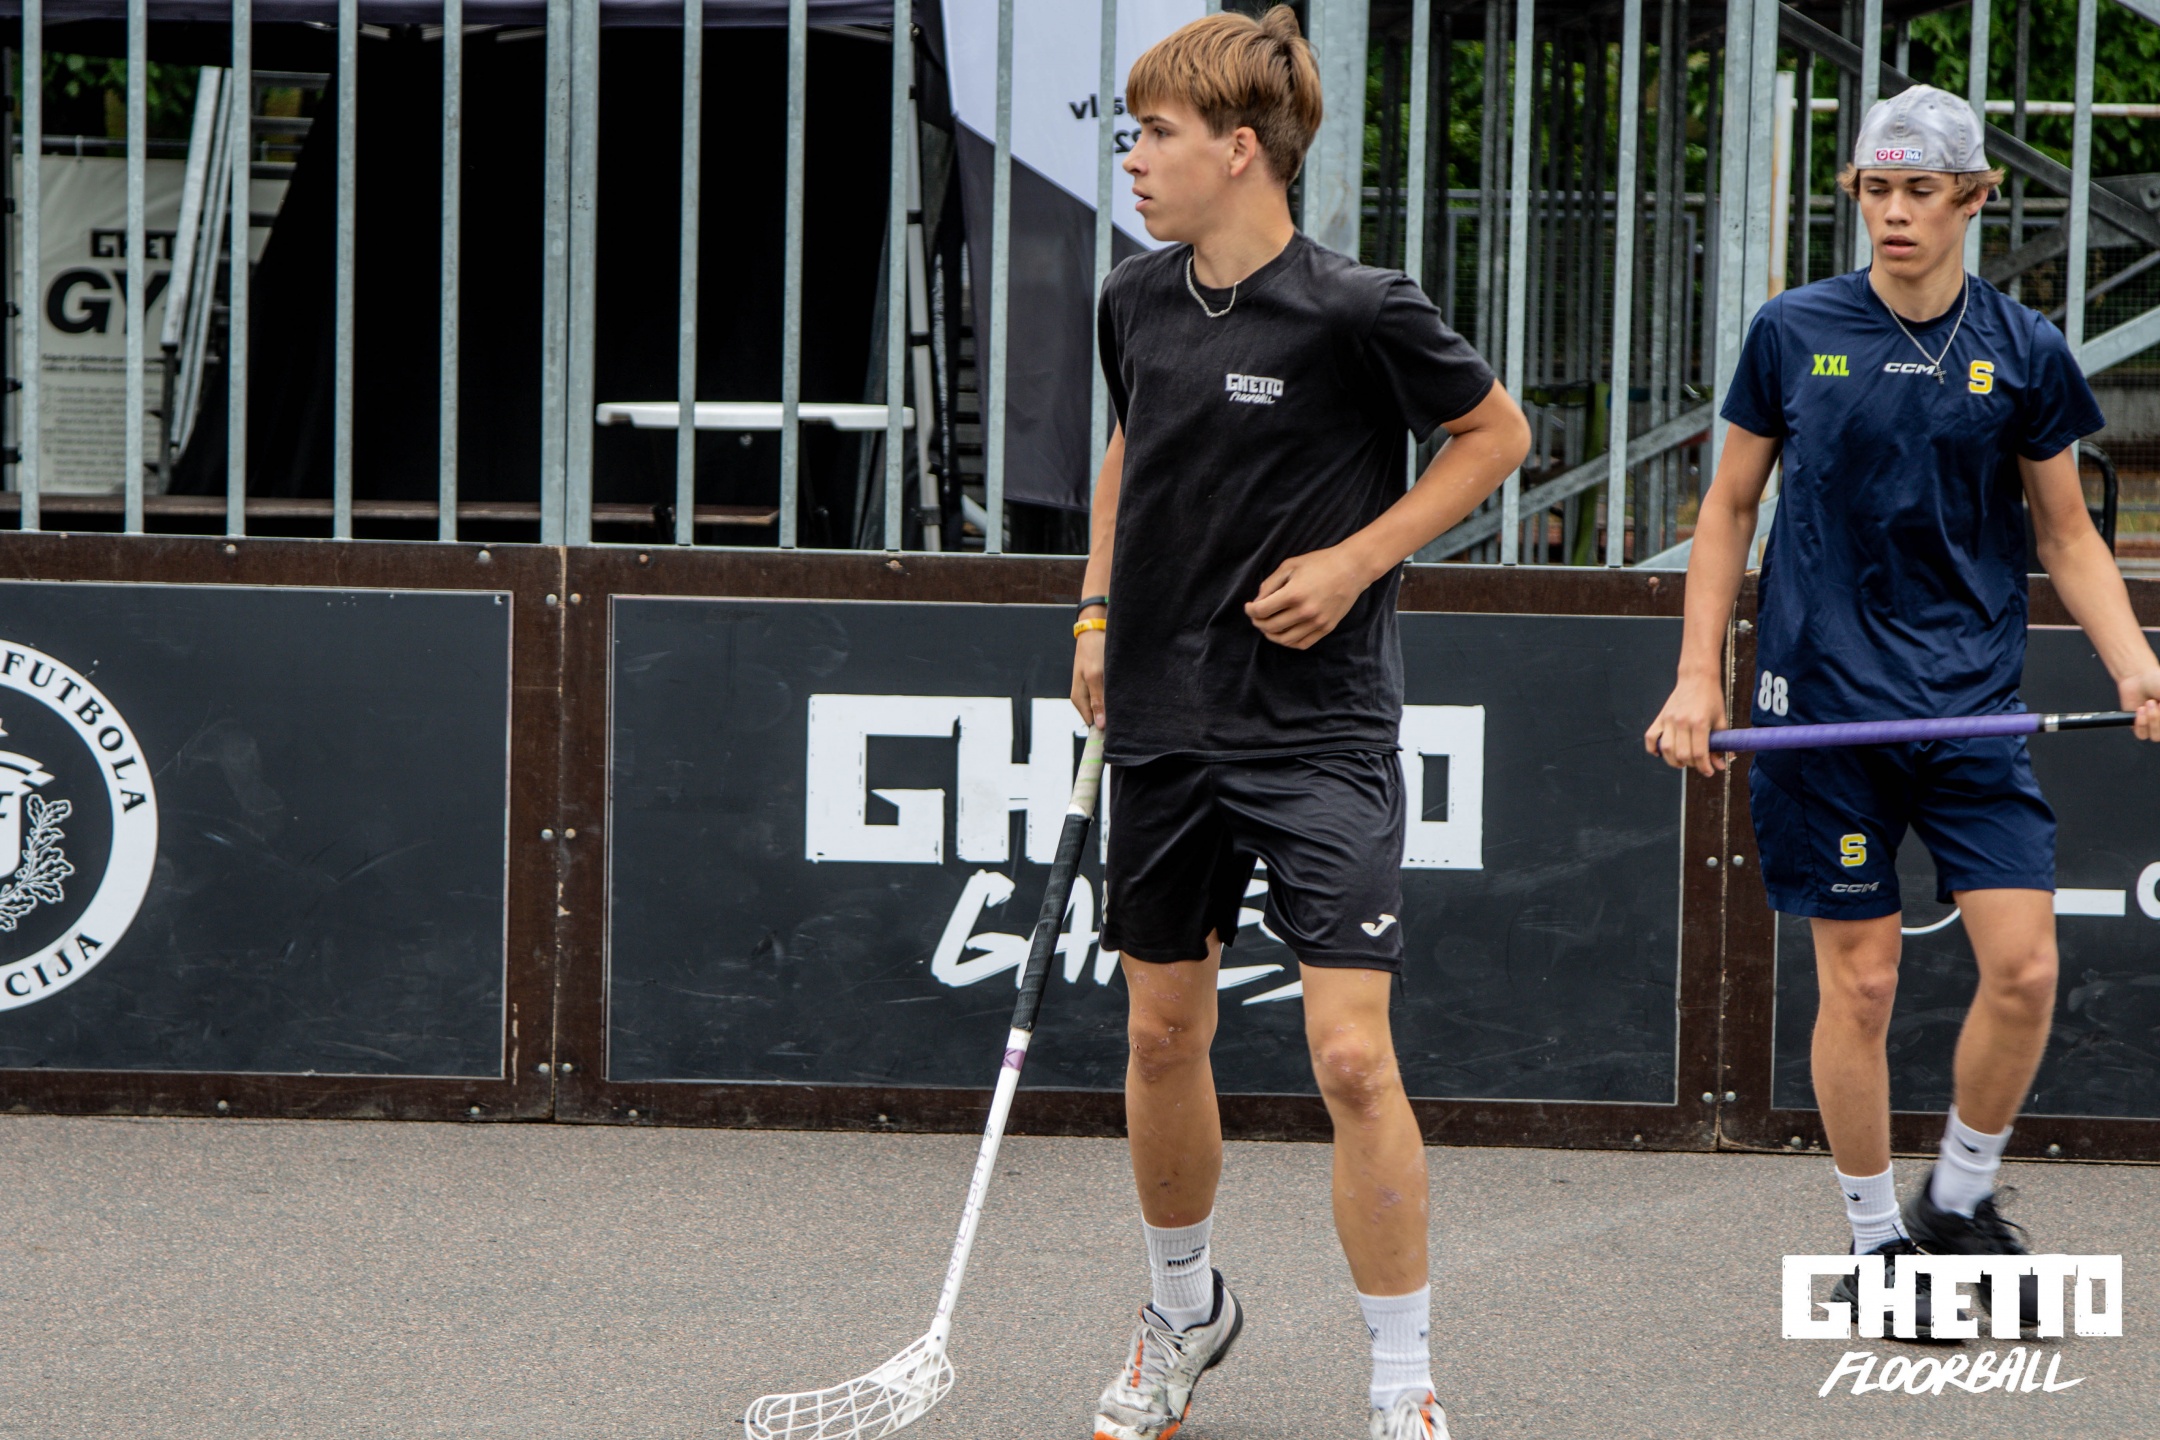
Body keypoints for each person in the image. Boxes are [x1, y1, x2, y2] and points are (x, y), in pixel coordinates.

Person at [1068, 8, 1529, 1438]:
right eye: (1133, 132)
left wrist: (1355, 560)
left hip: (1319, 730)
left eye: (1155, 134)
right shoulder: (1132, 298)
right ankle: (1182, 1313)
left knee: (1348, 1056)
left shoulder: (1358, 308)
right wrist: (1093, 613)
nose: (1133, 158)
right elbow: (1131, 445)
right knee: (1161, 1036)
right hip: (1163, 719)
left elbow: (1498, 436)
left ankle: (1403, 1385)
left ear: (1239, 149)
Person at [1646, 85, 2160, 1336]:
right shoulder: (1791, 331)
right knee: (1864, 985)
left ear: (1973, 199)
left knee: (2024, 969)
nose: (1894, 213)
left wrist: (2136, 665)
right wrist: (1698, 672)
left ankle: (1959, 1201)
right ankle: (1879, 1244)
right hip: (1822, 710)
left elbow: (2067, 534)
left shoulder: (2025, 349)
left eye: (1921, 191)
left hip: (1971, 708)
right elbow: (1728, 509)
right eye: (1876, 190)